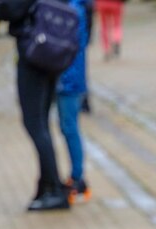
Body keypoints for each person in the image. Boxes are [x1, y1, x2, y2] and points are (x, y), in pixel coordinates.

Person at [0, 0, 71, 211]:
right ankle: (47, 184)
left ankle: (54, 188)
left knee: (34, 123)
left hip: (34, 53)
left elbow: (11, 8)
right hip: (50, 49)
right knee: (41, 123)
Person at [57, 0, 92, 202]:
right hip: (67, 78)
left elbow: (72, 47)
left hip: (69, 80)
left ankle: (78, 178)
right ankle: (76, 176)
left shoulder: (73, 10)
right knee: (67, 127)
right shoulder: (74, 7)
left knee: (70, 127)